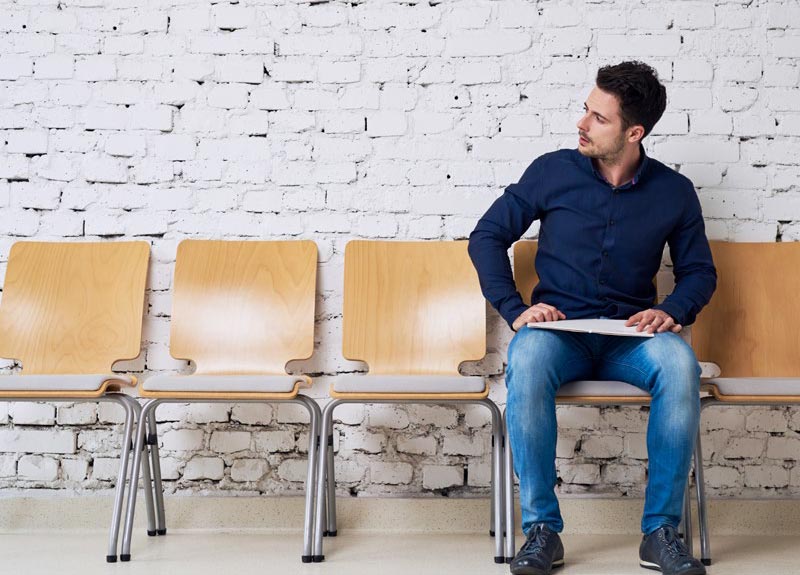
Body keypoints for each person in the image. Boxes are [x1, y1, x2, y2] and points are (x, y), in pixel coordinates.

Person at [468, 61, 716, 575]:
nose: (582, 123)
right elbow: (486, 237)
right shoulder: (552, 171)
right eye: (586, 109)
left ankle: (661, 532)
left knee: (680, 365)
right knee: (529, 357)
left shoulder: (674, 191)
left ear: (634, 132)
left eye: (598, 117)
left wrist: (670, 311)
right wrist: (516, 311)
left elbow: (699, 274)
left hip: (631, 337)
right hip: (559, 333)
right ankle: (541, 531)